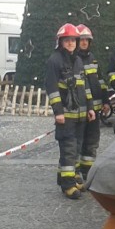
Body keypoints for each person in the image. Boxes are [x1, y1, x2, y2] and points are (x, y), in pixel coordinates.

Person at [45, 23, 95, 199]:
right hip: (66, 115)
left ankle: (67, 177)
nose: (71, 43)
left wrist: (90, 108)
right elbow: (52, 89)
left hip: (80, 115)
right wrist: (58, 111)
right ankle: (68, 186)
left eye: (73, 40)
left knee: (77, 148)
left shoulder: (78, 60)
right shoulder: (55, 60)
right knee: (68, 149)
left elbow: (85, 87)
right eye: (67, 40)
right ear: (60, 42)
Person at [75, 24, 108, 181]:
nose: (83, 43)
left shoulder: (93, 59)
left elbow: (100, 80)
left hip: (95, 109)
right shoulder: (73, 60)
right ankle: (75, 173)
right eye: (81, 40)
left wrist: (106, 100)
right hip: (81, 110)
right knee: (78, 142)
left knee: (92, 141)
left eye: (86, 40)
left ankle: (88, 173)